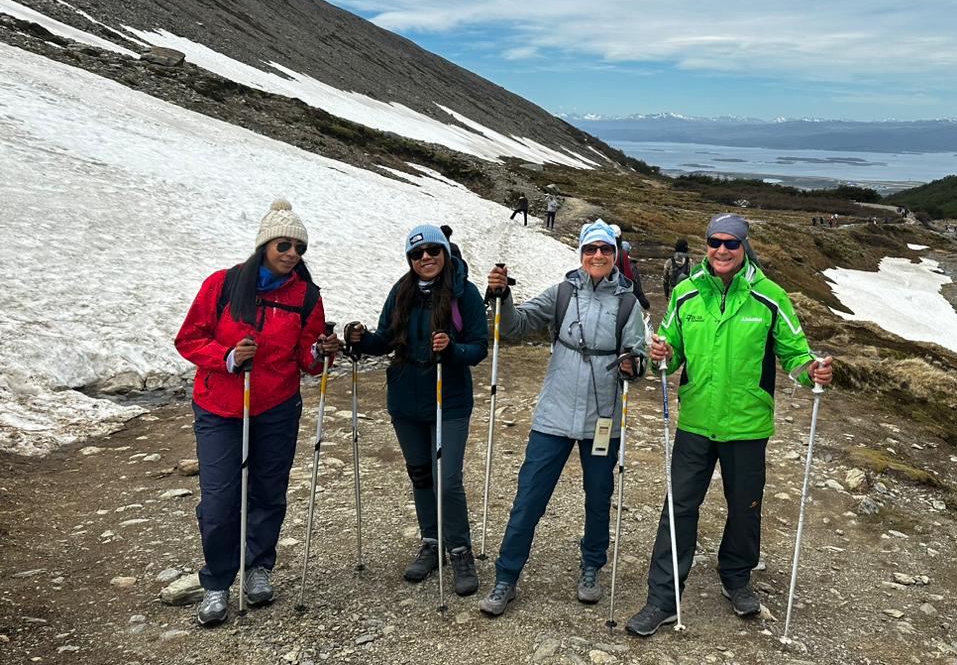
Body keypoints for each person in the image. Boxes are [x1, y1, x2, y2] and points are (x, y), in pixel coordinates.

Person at [626, 212, 834, 637]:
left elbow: (794, 353)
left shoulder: (770, 296)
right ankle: (663, 598)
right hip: (696, 423)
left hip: (747, 425)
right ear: (706, 246)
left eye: (731, 243)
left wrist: (811, 370)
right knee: (678, 508)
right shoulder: (685, 294)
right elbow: (668, 355)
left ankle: (736, 578)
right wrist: (660, 356)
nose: (721, 249)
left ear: (744, 247)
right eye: (714, 242)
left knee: (745, 509)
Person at [174, 198, 342, 626]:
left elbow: (306, 359)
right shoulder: (224, 285)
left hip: (277, 407)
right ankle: (216, 582)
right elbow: (189, 339)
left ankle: (258, 568)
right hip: (220, 408)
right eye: (284, 245)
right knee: (218, 500)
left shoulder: (306, 296)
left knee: (268, 491)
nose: (292, 255)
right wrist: (228, 357)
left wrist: (321, 353)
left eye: (299, 249)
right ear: (265, 244)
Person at [477, 220, 648, 617]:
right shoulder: (561, 293)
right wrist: (501, 296)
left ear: (615, 254)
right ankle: (506, 576)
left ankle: (591, 567)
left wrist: (632, 364)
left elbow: (636, 360)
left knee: (598, 498)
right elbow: (516, 327)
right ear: (582, 253)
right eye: (591, 250)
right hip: (553, 415)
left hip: (603, 418)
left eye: (605, 250)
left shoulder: (627, 303)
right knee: (529, 500)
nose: (598, 256)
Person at [344, 225, 488, 596]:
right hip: (406, 398)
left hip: (449, 399)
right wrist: (361, 339)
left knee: (448, 479)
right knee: (421, 475)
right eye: (417, 253)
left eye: (432, 251)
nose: (426, 258)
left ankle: (459, 550)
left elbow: (478, 348)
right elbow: (385, 339)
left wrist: (452, 348)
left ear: (444, 253)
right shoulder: (401, 291)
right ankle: (431, 542)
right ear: (410, 259)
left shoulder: (463, 293)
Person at [614, 229, 651, 311]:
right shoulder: (631, 267)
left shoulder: (613, 262)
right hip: (628, 300)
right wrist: (644, 303)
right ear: (629, 252)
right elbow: (636, 286)